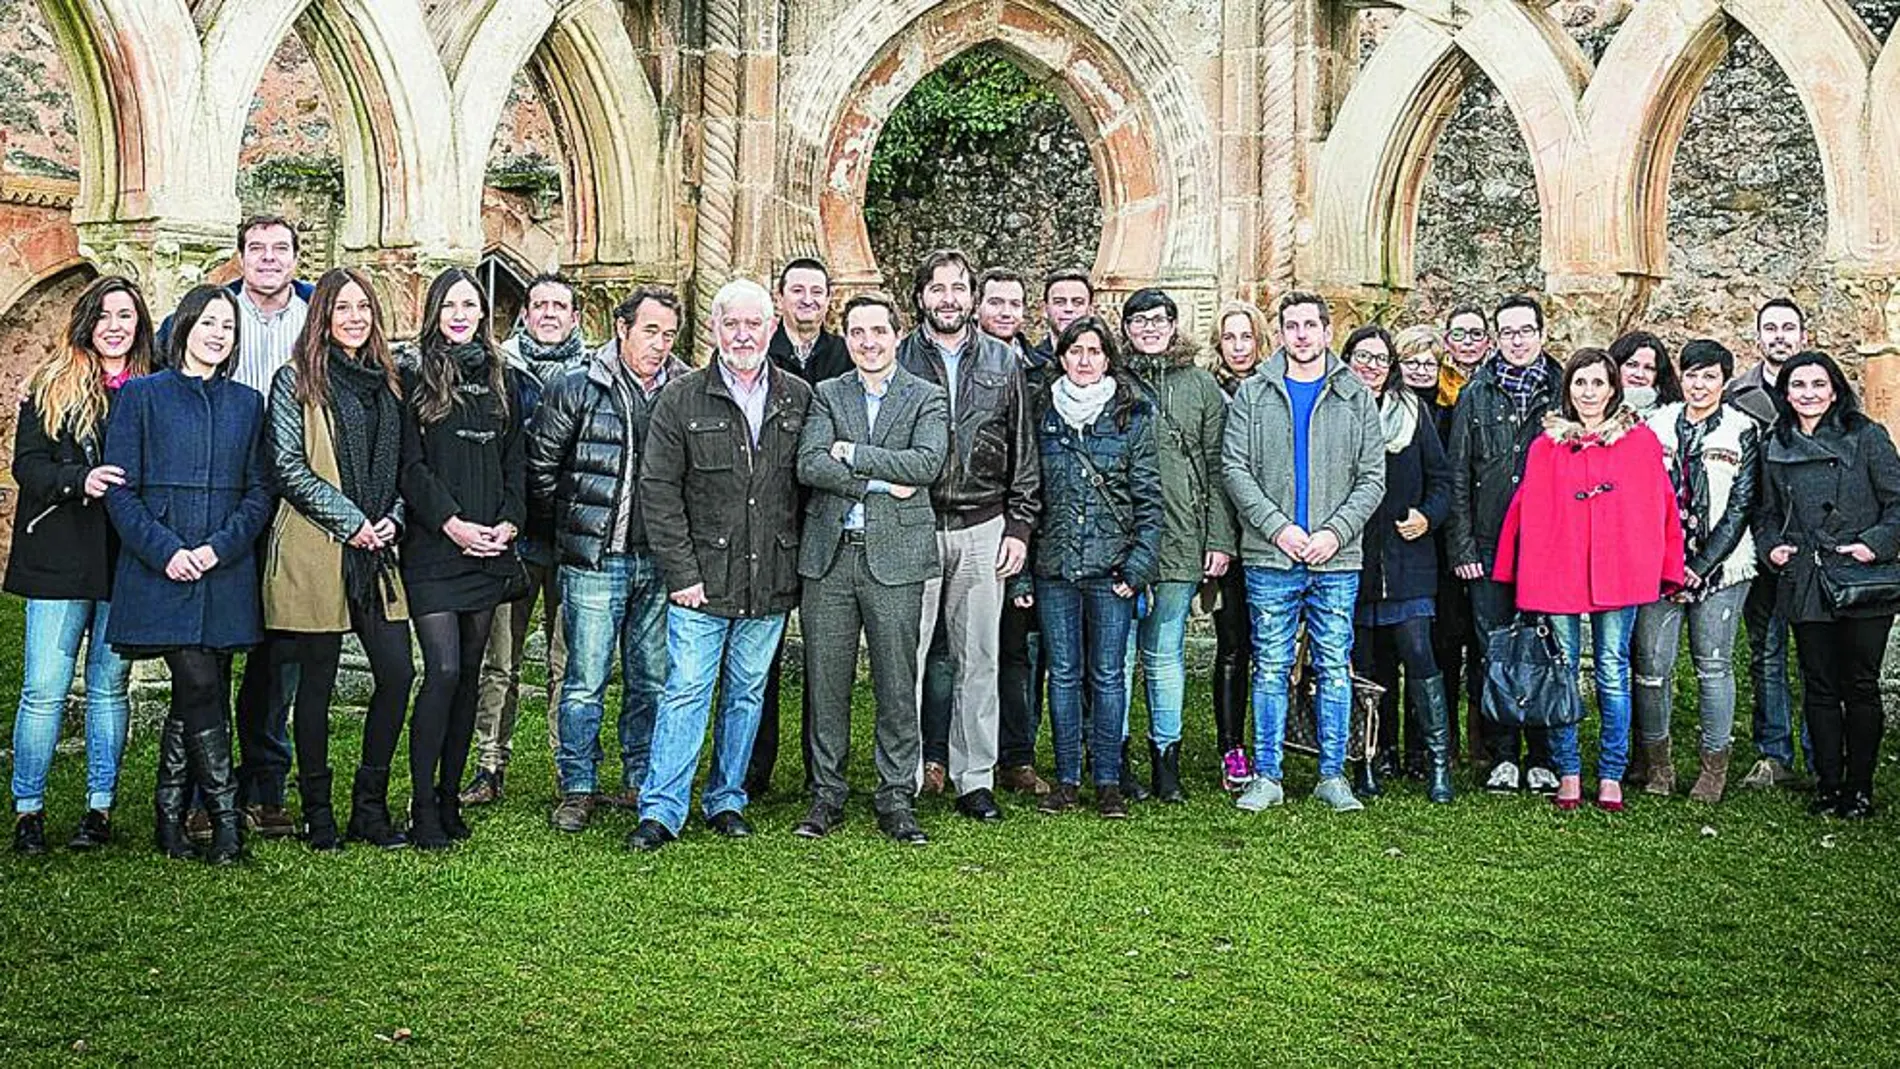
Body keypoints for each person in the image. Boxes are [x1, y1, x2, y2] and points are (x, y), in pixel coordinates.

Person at [626, 279, 813, 851]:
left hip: (770, 579)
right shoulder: (680, 399)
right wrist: (681, 575)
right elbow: (658, 493)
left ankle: (727, 798)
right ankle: (661, 809)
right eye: (731, 324)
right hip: (701, 582)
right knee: (685, 691)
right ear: (714, 330)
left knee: (747, 694)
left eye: (753, 324)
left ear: (772, 327)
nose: (742, 335)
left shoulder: (799, 398)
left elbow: (805, 490)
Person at [154, 217, 315, 841]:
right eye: (258, 249)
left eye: (281, 249)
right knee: (209, 654)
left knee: (281, 654)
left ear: (298, 258)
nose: (269, 259)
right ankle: (200, 795)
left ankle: (266, 787)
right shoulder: (212, 313)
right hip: (218, 496)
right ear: (240, 257)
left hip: (292, 499)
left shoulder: (313, 318)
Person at [103, 284, 273, 862]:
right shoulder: (143, 396)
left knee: (199, 689)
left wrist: (218, 549)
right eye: (208, 323)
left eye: (227, 326)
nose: (218, 334)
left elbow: (259, 493)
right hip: (162, 568)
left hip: (222, 571)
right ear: (185, 328)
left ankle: (169, 817)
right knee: (201, 684)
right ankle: (227, 824)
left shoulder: (248, 404)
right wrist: (168, 550)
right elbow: (120, 491)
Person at [263, 268, 416, 851]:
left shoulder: (390, 384)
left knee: (398, 674)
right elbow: (288, 466)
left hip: (377, 550)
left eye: (363, 308)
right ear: (321, 316)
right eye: (342, 308)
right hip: (317, 547)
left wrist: (391, 520)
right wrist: (352, 522)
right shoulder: (295, 381)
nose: (355, 318)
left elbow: (404, 463)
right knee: (317, 684)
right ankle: (318, 811)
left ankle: (369, 807)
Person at [1495, 348, 1684, 811]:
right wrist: (1512, 566)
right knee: (1563, 672)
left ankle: (1612, 773)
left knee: (1612, 671)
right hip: (1560, 571)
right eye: (1580, 383)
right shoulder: (1547, 447)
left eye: (1598, 383)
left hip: (1619, 570)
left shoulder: (1638, 443)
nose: (1589, 392)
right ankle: (1569, 770)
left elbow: (1661, 505)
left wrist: (1667, 566)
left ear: (1613, 389)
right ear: (1569, 389)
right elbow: (1525, 509)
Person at [528, 287, 686, 832]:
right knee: (584, 680)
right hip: (596, 560)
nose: (660, 344)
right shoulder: (578, 385)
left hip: (660, 561)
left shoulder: (684, 389)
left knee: (651, 678)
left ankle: (640, 778)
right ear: (622, 328)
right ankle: (578, 785)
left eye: (669, 334)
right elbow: (542, 468)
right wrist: (576, 532)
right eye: (650, 331)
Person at [793, 292, 949, 844]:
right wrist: (881, 480)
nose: (867, 342)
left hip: (896, 558)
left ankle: (895, 796)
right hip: (830, 556)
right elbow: (810, 463)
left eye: (878, 331)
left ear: (897, 335)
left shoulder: (926, 397)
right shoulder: (826, 393)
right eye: (857, 332)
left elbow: (927, 464)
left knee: (896, 680)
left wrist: (852, 453)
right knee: (826, 681)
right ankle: (826, 793)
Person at [1223, 292, 1384, 813]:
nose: (1301, 335)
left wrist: (1334, 533)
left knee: (1334, 667)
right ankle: (1267, 776)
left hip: (1335, 558)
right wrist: (1278, 529)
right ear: (1281, 333)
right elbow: (1236, 470)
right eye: (1291, 326)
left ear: (1326, 331)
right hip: (1272, 556)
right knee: (1270, 665)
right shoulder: (1254, 393)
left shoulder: (1355, 394)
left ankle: (1332, 775)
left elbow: (1371, 478)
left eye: (1310, 325)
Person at [6, 276, 151, 855]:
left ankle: (99, 808)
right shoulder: (51, 384)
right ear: (87, 320)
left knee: (108, 687)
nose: (115, 326)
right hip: (60, 555)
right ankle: (28, 809)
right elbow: (28, 467)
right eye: (105, 315)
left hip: (121, 560)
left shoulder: (150, 389)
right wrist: (79, 480)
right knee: (44, 688)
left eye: (127, 316)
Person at [897, 249, 1040, 823]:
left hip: (984, 526)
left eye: (959, 288)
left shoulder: (1005, 362)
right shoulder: (900, 356)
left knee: (978, 655)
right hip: (916, 524)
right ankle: (904, 771)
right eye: (939, 288)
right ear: (921, 297)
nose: (949, 298)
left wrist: (1021, 526)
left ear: (972, 298)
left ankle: (972, 776)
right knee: (905, 654)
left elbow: (1023, 451)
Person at [395, 269, 525, 848]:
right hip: (435, 547)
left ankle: (450, 800)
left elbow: (517, 463)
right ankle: (422, 803)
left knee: (469, 676)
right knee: (443, 671)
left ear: (483, 314)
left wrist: (508, 523)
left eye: (470, 305)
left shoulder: (504, 380)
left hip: (489, 549)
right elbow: (411, 466)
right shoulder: (412, 376)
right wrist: (452, 524)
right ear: (434, 311)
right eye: (450, 305)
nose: (460, 314)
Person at [1015, 317, 1161, 817]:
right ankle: (1067, 778)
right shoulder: (1041, 413)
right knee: (1063, 674)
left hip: (1110, 570)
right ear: (1061, 357)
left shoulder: (1132, 416)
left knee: (1108, 676)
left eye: (1094, 351)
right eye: (1075, 350)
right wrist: (1021, 574)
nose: (1083, 360)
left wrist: (1136, 568)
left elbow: (1148, 499)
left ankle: (1108, 779)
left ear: (1107, 359)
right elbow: (1025, 495)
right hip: (1054, 566)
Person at [1757, 351, 1900, 820]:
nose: (1809, 394)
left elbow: (1897, 503)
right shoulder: (1775, 444)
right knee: (1817, 685)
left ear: (1835, 390)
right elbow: (1767, 512)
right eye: (1799, 385)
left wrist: (1873, 545)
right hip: (1807, 576)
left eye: (1819, 384)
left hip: (1861, 576)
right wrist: (1773, 546)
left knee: (1859, 684)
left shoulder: (1867, 437)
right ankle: (1828, 784)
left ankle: (1859, 788)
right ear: (1786, 393)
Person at [462, 273, 584, 807]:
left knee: (568, 662)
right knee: (500, 661)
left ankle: (567, 768)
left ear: (576, 316)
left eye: (560, 305)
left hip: (576, 537)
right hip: (513, 534)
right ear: (525, 314)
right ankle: (490, 764)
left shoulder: (596, 373)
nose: (550, 313)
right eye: (540, 305)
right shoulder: (499, 368)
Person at [1118, 288, 1235, 802]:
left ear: (1173, 324)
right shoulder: (1112, 379)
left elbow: (1216, 467)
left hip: (1183, 536)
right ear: (1125, 328)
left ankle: (1167, 759)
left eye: (1157, 319)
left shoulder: (1201, 386)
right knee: (1117, 657)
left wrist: (1219, 538)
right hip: (1120, 542)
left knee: (1165, 652)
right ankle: (1114, 756)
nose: (1148, 328)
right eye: (1138, 320)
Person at [1631, 340, 1760, 803]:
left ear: (1724, 381)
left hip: (1723, 567)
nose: (1698, 384)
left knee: (1713, 665)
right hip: (1658, 565)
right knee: (1652, 667)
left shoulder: (1744, 430)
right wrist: (1669, 564)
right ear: (1679, 377)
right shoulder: (1655, 425)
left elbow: (1743, 505)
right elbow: (1641, 494)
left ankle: (1713, 767)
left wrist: (1701, 567)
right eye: (1691, 374)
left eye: (1709, 376)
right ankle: (1659, 766)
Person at [1446, 295, 1564, 795]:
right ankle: (1501, 754)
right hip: (1490, 545)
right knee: (1494, 648)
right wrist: (1463, 548)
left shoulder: (1562, 391)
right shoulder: (1477, 392)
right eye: (1509, 332)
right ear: (1498, 338)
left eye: (1526, 331)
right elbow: (1458, 474)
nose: (1518, 340)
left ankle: (1539, 754)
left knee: (1542, 647)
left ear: (1541, 334)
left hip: (1546, 546)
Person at [749, 257, 850, 799]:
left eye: (817, 291)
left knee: (823, 652)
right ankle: (754, 767)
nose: (807, 299)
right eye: (798, 290)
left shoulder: (843, 354)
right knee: (758, 650)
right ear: (779, 297)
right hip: (767, 517)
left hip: (828, 516)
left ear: (828, 299)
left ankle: (821, 770)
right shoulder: (759, 354)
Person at [1341, 324, 1454, 803]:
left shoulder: (1413, 415)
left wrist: (1427, 517)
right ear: (1346, 360)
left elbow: (1443, 479)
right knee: (1367, 665)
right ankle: (1369, 758)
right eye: (1361, 357)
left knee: (1419, 655)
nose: (1370, 366)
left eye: (1380, 359)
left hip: (1408, 559)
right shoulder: (1334, 411)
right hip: (1353, 559)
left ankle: (1437, 762)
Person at [974, 266, 1053, 796]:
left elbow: (1035, 458)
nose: (1005, 312)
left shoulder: (1044, 368)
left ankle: (1016, 756)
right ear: (978, 306)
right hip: (970, 522)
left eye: (1014, 303)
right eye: (995, 302)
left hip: (1025, 527)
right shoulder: (950, 363)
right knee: (951, 651)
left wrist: (1023, 529)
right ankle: (943, 756)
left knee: (1017, 650)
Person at [1730, 298, 1807, 790]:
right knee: (1766, 648)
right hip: (1759, 535)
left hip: (1813, 541)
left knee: (1819, 654)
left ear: (1803, 335)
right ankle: (1773, 753)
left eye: (1788, 328)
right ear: (1758, 337)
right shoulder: (1739, 393)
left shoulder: (1821, 385)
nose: (1780, 335)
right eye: (1771, 328)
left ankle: (1823, 753)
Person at [1207, 300, 1265, 789]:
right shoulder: (1210, 392)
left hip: (1274, 537)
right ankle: (1232, 747)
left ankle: (1273, 742)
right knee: (1233, 646)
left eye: (1247, 337)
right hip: (1231, 541)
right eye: (1230, 338)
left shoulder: (1276, 387)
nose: (1239, 346)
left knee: (1275, 650)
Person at [1611, 330, 1681, 412]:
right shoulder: (1595, 406)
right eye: (1632, 365)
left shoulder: (1672, 415)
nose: (1639, 374)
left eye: (1649, 368)